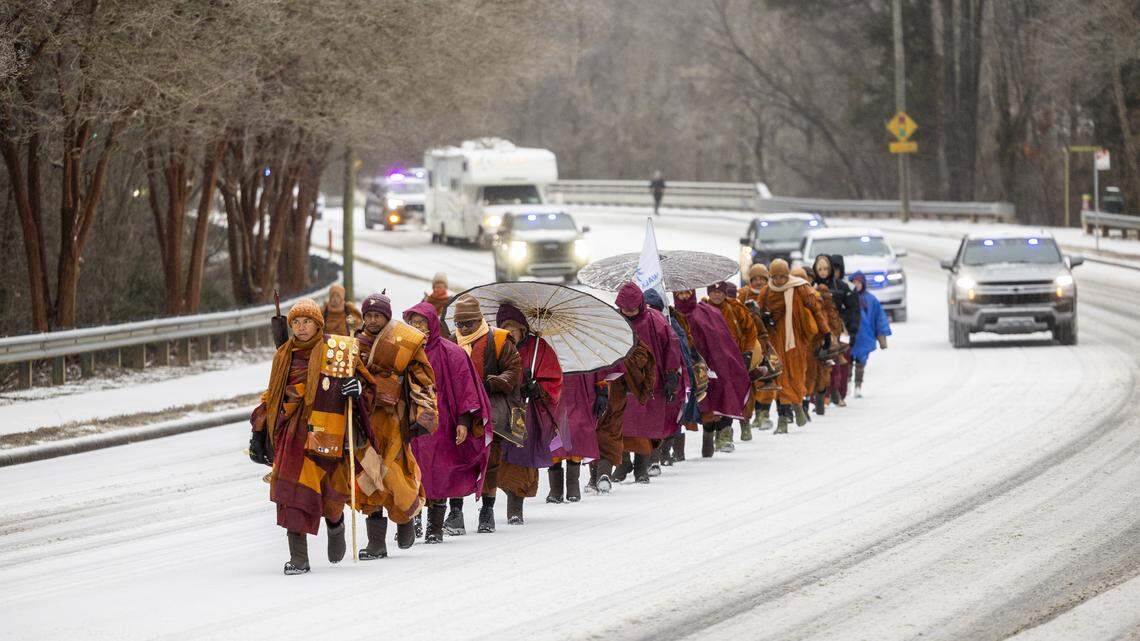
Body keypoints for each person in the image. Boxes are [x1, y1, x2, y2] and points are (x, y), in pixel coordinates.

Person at [247, 298, 372, 575]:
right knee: (290, 492)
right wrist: (258, 428)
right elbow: (273, 394)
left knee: (328, 491)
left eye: (307, 322)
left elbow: (366, 385)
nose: (301, 328)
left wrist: (357, 389)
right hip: (291, 435)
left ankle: (335, 523)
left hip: (328, 431)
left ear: (318, 324)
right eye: (296, 323)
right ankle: (299, 558)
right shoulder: (283, 355)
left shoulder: (337, 350)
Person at [351, 292, 439, 559]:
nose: (373, 320)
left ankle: (405, 518)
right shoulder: (354, 344)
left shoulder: (405, 341)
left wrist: (422, 411)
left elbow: (424, 378)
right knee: (369, 475)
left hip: (394, 419)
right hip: (363, 420)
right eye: (368, 315)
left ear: (387, 317)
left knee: (394, 473)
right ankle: (376, 542)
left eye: (378, 315)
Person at [402, 301, 493, 543]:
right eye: (413, 323)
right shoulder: (402, 351)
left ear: (432, 324)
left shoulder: (452, 352)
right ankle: (414, 522)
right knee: (412, 473)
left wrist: (463, 421)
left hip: (443, 423)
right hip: (411, 422)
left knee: (439, 471)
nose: (418, 327)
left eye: (422, 323)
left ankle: (435, 527)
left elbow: (465, 388)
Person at [449, 294, 523, 533]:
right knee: (458, 461)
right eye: (459, 324)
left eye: (468, 323)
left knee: (491, 461)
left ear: (479, 319)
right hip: (460, 412)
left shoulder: (500, 339)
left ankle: (487, 512)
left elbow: (514, 369)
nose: (463, 328)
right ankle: (455, 511)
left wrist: (494, 382)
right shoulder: (451, 342)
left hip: (492, 411)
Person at [494, 303, 563, 522]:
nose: (510, 331)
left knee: (519, 456)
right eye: (505, 327)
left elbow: (554, 378)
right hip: (502, 409)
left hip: (527, 412)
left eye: (514, 327)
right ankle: (507, 499)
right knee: (500, 458)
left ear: (523, 328)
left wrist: (537, 388)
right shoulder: (495, 347)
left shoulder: (538, 348)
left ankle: (515, 509)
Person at [752, 259, 831, 434]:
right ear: (771, 276)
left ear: (788, 275)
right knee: (780, 378)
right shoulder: (766, 291)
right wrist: (765, 317)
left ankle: (797, 406)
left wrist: (826, 333)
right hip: (775, 341)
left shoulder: (800, 288)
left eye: (783, 276)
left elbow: (816, 310)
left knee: (795, 376)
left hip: (796, 342)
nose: (779, 280)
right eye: (776, 276)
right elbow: (758, 316)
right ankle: (782, 419)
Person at [613, 283, 681, 483]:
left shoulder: (656, 320)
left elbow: (671, 345)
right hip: (621, 379)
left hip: (650, 380)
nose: (629, 312)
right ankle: (622, 462)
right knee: (620, 421)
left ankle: (641, 467)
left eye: (633, 308)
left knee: (645, 423)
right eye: (625, 309)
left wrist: (671, 374)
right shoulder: (615, 321)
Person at [672, 289, 750, 457]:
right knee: (694, 402)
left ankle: (720, 435)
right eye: (680, 294)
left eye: (687, 293)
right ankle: (702, 439)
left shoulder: (708, 312)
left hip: (713, 362)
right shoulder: (672, 315)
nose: (684, 296)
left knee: (718, 394)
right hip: (686, 363)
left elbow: (721, 340)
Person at [644, 289, 700, 467]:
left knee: (673, 414)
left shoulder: (671, 324)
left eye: (653, 307)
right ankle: (653, 455)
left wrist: (677, 374)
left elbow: (682, 350)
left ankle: (670, 450)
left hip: (671, 376)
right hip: (649, 378)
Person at [704, 281, 759, 450]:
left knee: (728, 396)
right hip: (709, 361)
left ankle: (726, 434)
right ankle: (711, 434)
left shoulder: (735, 309)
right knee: (712, 399)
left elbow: (750, 331)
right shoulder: (702, 311)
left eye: (720, 292)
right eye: (713, 291)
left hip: (732, 361)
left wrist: (748, 352)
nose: (717, 295)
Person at [739, 263, 776, 431]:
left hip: (768, 342)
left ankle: (764, 413)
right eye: (756, 279)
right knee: (752, 381)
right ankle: (752, 413)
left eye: (763, 278)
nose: (759, 282)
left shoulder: (771, 293)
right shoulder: (743, 294)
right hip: (749, 345)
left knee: (768, 378)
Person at [849, 272, 892, 399]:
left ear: (863, 283)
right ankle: (846, 386)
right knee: (848, 362)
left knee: (861, 363)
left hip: (865, 337)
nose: (856, 285)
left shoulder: (871, 300)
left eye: (859, 282)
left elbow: (880, 318)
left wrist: (882, 335)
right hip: (852, 335)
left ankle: (858, 385)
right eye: (854, 282)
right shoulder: (849, 297)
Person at [825, 254, 860, 406]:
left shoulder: (846, 288)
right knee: (827, 364)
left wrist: (852, 331)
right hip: (826, 331)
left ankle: (840, 393)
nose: (835, 272)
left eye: (838, 269)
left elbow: (854, 310)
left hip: (843, 332)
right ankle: (824, 395)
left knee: (843, 363)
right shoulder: (822, 287)